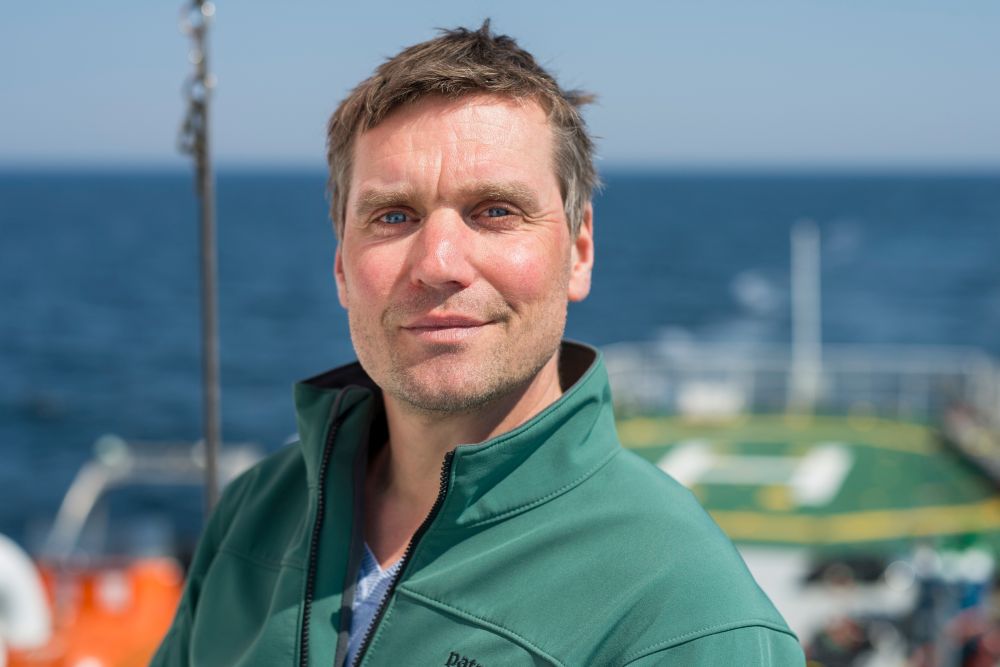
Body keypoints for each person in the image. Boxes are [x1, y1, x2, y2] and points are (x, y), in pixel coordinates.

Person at [153, 21, 804, 666]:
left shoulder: (684, 616)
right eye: (394, 216)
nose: (438, 263)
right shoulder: (253, 515)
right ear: (341, 268)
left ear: (579, 252)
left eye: (495, 211)